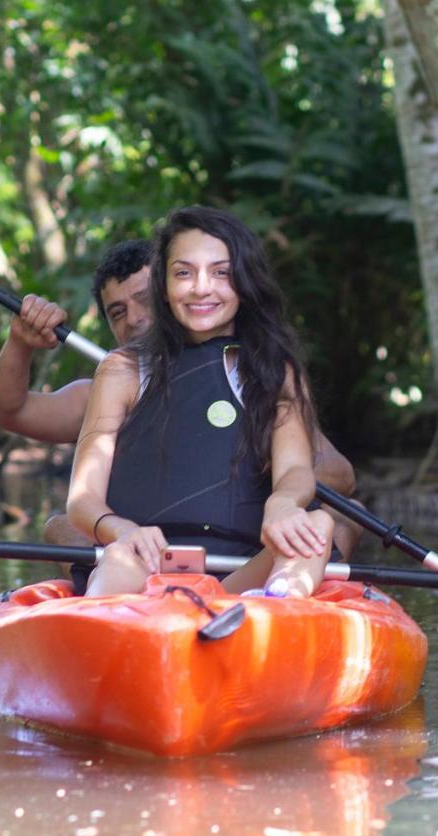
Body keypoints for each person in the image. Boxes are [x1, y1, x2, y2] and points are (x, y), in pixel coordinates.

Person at [0, 240, 363, 557]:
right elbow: (5, 410)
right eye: (118, 312)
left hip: (244, 536)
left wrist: (251, 470)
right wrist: (19, 344)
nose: (134, 319)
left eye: (145, 300)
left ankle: (307, 594)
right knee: (62, 526)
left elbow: (339, 474)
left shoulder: (250, 376)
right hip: (140, 545)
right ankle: (107, 612)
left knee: (347, 516)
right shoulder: (111, 384)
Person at [67, 206, 335, 598]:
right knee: (120, 558)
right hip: (143, 563)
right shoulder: (122, 370)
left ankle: (278, 605)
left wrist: (284, 503)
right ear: (163, 285)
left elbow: (295, 468)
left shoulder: (276, 371)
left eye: (221, 272)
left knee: (318, 524)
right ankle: (111, 623)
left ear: (245, 282)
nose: (201, 288)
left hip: (240, 576)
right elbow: (82, 499)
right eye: (184, 273)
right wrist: (119, 529)